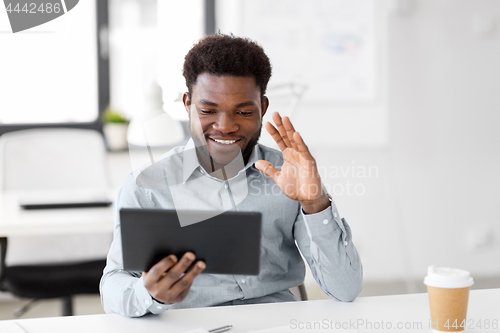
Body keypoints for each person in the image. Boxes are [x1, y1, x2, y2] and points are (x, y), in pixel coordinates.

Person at [100, 34, 362, 317]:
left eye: (243, 111)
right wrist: (148, 294)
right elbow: (114, 286)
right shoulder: (147, 185)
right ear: (187, 104)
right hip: (189, 324)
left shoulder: (289, 175)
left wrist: (315, 202)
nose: (224, 126)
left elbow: (345, 289)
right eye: (208, 110)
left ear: (262, 108)